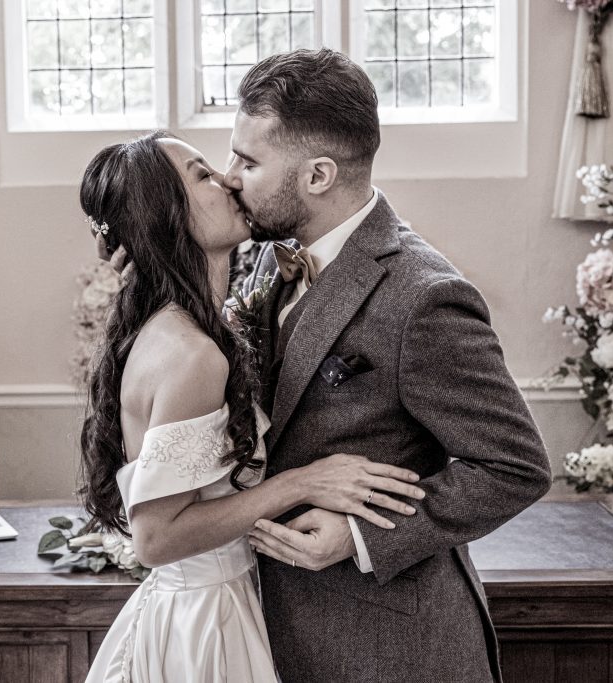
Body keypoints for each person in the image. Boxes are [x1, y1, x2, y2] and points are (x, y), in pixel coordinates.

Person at [227, 49, 553, 682]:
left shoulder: (424, 296)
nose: (231, 175)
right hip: (267, 624)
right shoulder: (267, 256)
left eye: (249, 160)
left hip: (388, 643)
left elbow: (515, 466)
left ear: (317, 175)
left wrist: (360, 534)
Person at [78, 131, 427, 682]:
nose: (227, 180)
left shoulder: (188, 326)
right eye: (202, 175)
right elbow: (156, 538)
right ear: (167, 216)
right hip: (205, 626)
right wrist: (304, 482)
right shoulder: (190, 354)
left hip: (219, 603)